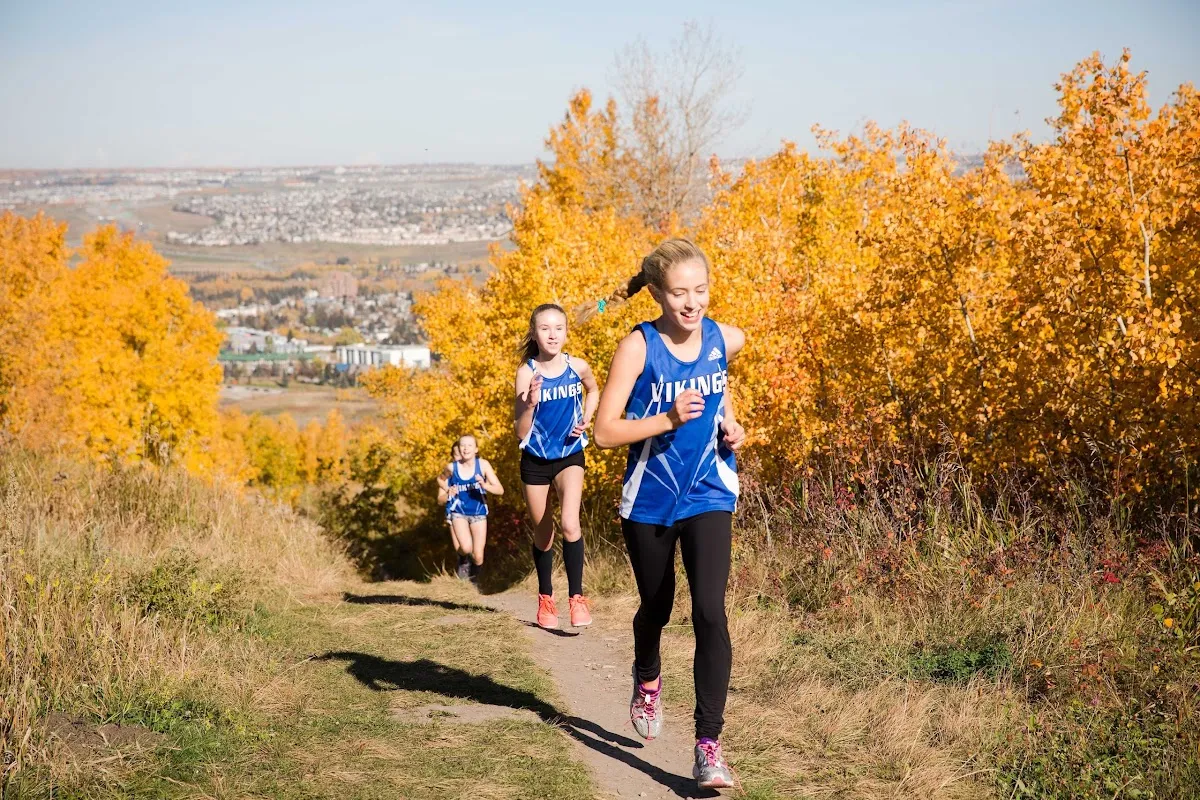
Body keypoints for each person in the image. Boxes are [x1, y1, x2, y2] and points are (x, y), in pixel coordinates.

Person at [592, 238, 745, 790]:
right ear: (656, 292)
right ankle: (648, 674)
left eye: (700, 290)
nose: (692, 302)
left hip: (709, 491)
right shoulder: (638, 347)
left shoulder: (726, 338)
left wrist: (731, 424)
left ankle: (709, 747)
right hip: (651, 499)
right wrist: (668, 420)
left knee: (710, 612)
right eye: (679, 292)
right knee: (656, 606)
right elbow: (605, 432)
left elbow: (721, 389)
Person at [514, 303, 600, 629]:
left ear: (566, 332)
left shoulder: (577, 366)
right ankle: (546, 597)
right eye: (545, 328)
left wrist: (586, 418)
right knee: (544, 534)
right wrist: (529, 403)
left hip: (569, 454)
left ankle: (577, 598)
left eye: (558, 328)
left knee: (570, 524)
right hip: (535, 460)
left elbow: (593, 390)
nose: (552, 335)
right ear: (534, 334)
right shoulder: (526, 373)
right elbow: (520, 431)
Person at [437, 434, 504, 586]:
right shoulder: (452, 467)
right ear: (459, 448)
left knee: (478, 556)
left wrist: (485, 485)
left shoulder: (483, 465)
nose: (466, 448)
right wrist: (448, 490)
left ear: (476, 449)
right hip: (458, 512)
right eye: (463, 445)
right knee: (466, 547)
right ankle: (463, 560)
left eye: (469, 445)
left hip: (478, 513)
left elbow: (500, 490)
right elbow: (440, 479)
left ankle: (473, 582)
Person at [436, 442, 473, 579]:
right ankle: (463, 561)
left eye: (462, 453)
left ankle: (474, 575)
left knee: (475, 548)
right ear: (452, 456)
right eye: (457, 454)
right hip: (454, 513)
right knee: (461, 547)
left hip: (474, 512)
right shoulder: (449, 475)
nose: (460, 456)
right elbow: (440, 499)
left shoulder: (475, 470)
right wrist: (449, 493)